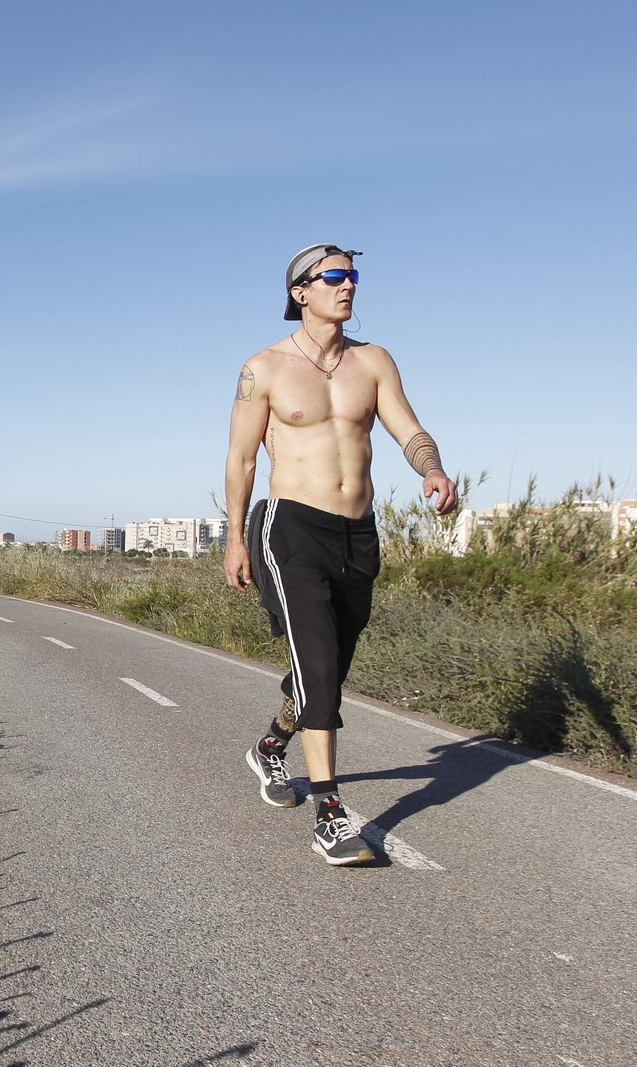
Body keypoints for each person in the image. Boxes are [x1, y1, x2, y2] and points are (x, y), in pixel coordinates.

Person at [222, 243, 457, 866]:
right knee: (319, 665)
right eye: (333, 276)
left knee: (329, 666)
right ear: (301, 292)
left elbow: (407, 427)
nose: (347, 284)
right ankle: (330, 810)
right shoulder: (264, 369)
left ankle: (273, 745)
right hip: (289, 528)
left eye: (352, 275)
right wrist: (232, 541)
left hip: (357, 534)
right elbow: (242, 458)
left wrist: (431, 470)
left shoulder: (373, 361)